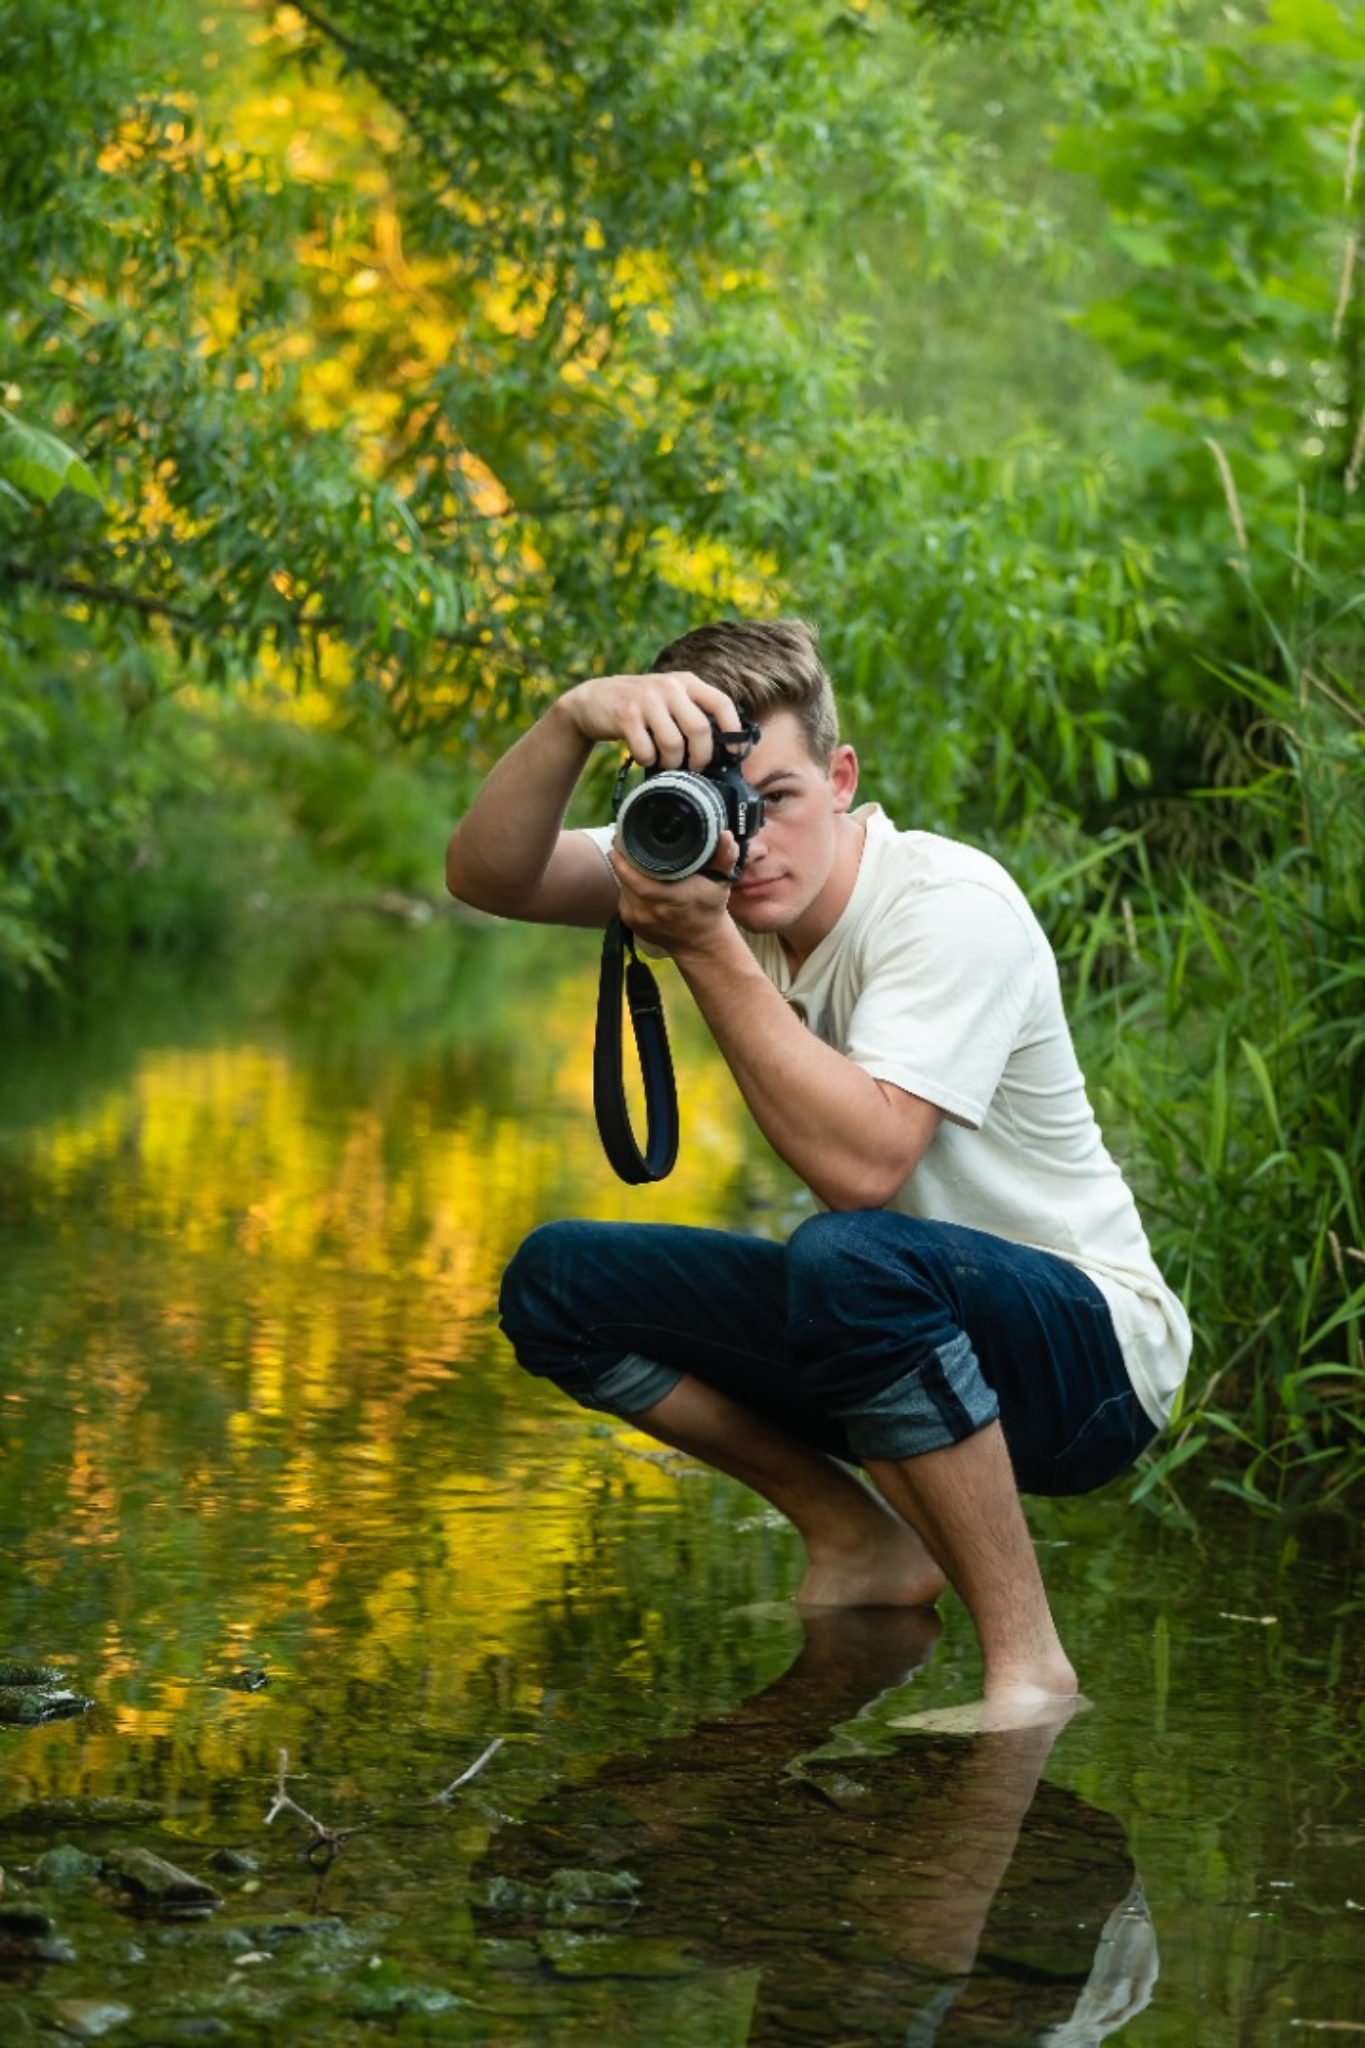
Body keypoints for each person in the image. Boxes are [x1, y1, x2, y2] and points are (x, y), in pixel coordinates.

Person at [445, 618, 1191, 1729]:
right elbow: (487, 875)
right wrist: (570, 717)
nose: (748, 844)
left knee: (846, 1256)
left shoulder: (946, 903)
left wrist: (704, 946)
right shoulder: (687, 856)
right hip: (901, 1326)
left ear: (841, 779)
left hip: (1091, 1358)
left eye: (778, 797)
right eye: (719, 808)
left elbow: (867, 1164)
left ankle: (1031, 1667)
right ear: (672, 801)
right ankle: (858, 1537)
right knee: (557, 1283)